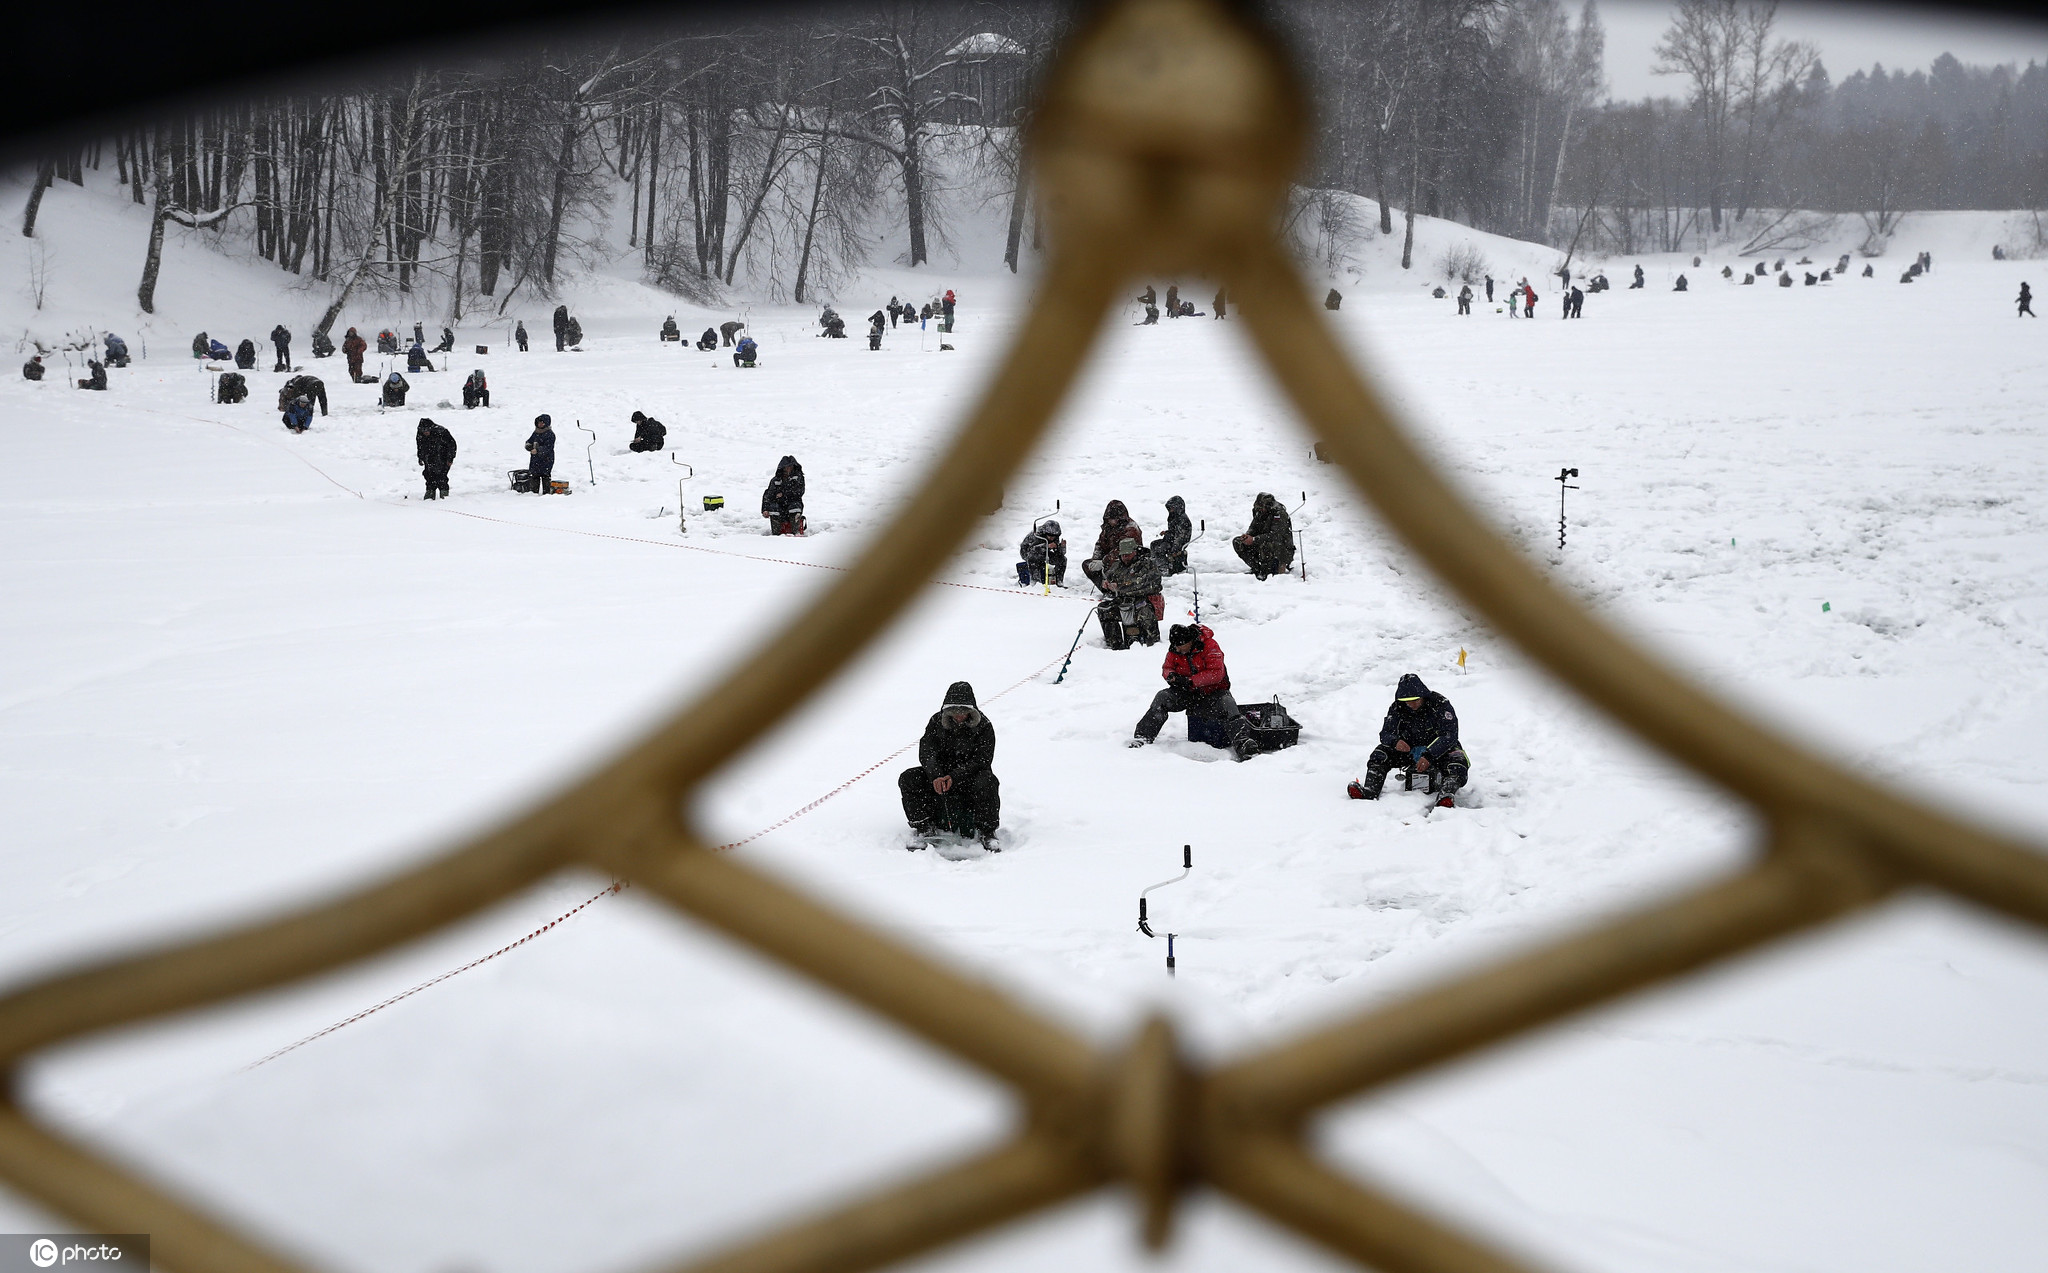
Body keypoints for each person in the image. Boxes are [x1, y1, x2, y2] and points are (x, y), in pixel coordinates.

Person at [1129, 624, 1255, 760]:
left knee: (1228, 703)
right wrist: (1171, 676)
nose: (1176, 649)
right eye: (1174, 646)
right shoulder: (1175, 649)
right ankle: (1143, 736)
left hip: (1214, 692)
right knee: (1162, 697)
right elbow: (1167, 667)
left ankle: (1242, 742)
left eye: (1180, 646)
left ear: (1189, 642)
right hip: (1186, 692)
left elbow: (1217, 673)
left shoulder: (1210, 646)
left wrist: (1191, 681)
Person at [898, 681, 1000, 850]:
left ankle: (987, 832)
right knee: (909, 778)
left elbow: (983, 760)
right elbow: (927, 752)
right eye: (954, 711)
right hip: (940, 780)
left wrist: (955, 776)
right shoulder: (936, 722)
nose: (959, 716)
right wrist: (936, 775)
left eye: (963, 711)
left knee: (987, 780)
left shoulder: (984, 726)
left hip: (969, 779)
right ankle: (923, 827)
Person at [1346, 673, 1469, 806]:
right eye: (1407, 701)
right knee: (1380, 754)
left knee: (1458, 761)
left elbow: (1449, 735)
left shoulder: (1440, 704)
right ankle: (1370, 790)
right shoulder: (1397, 707)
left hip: (1439, 751)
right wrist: (1395, 741)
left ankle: (1446, 795)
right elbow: (1385, 733)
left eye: (1415, 700)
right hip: (1409, 751)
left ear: (1423, 695)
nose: (1411, 704)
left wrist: (1429, 755)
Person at [1097, 534, 1163, 649]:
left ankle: (1153, 645)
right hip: (1123, 600)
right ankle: (1115, 644)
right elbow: (1109, 577)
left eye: (1128, 554)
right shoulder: (1118, 565)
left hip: (1144, 599)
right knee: (1105, 610)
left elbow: (1142, 584)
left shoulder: (1147, 564)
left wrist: (1119, 587)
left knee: (1144, 613)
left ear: (1135, 551)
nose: (1125, 557)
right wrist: (1106, 584)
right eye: (1123, 555)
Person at [1082, 500, 1143, 593]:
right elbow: (1100, 543)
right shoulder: (1108, 527)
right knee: (1087, 565)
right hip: (1109, 560)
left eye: (1113, 518)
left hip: (1128, 561)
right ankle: (1106, 589)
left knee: (1115, 568)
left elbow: (1122, 550)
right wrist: (1095, 560)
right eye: (1109, 518)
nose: (1111, 521)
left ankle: (1117, 590)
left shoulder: (1131, 529)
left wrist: (1103, 562)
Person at [1234, 492, 1295, 579]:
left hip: (1281, 549)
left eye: (1261, 508)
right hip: (1263, 542)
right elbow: (1253, 527)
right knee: (1238, 542)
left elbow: (1275, 536)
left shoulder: (1279, 514)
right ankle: (1257, 568)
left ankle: (1266, 571)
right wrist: (1247, 536)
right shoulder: (1260, 512)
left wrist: (1254, 539)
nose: (1259, 510)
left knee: (1266, 543)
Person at [1017, 518, 1066, 587]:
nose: (1052, 538)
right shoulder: (1036, 535)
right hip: (1028, 552)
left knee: (1063, 559)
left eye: (1054, 536)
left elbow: (1059, 553)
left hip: (1044, 552)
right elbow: (1032, 550)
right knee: (1035, 558)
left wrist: (1062, 548)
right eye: (1050, 536)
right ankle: (1035, 581)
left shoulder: (1055, 536)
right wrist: (1046, 546)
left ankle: (1059, 581)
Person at [1150, 495, 1193, 575]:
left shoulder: (1182, 520)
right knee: (1154, 544)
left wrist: (1174, 550)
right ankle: (1155, 565)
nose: (1170, 510)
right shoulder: (1175, 517)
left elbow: (1180, 537)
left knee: (1160, 548)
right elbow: (1175, 531)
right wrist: (1167, 533)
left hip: (1177, 544)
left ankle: (1163, 568)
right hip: (1172, 540)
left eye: (1172, 508)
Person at [762, 455, 804, 534]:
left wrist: (783, 494)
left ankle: (796, 532)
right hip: (779, 506)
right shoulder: (775, 480)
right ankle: (776, 533)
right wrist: (765, 509)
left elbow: (799, 492)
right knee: (773, 508)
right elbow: (768, 495)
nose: (788, 469)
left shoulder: (798, 478)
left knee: (795, 507)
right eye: (786, 467)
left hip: (793, 504)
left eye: (790, 467)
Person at [417, 417, 457, 499]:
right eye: (423, 431)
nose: (425, 433)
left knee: (442, 476)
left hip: (443, 456)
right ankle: (430, 492)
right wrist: (420, 457)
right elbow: (420, 446)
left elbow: (452, 445)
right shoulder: (420, 433)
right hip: (429, 457)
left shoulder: (442, 432)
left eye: (427, 430)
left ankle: (444, 494)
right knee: (429, 475)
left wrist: (450, 458)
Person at [525, 415, 556, 493]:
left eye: (542, 423)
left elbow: (548, 447)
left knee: (545, 476)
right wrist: (530, 447)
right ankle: (533, 493)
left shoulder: (550, 434)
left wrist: (538, 450)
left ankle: (546, 494)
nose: (540, 424)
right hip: (535, 460)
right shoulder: (535, 433)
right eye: (539, 423)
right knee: (535, 476)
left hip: (546, 459)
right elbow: (529, 442)